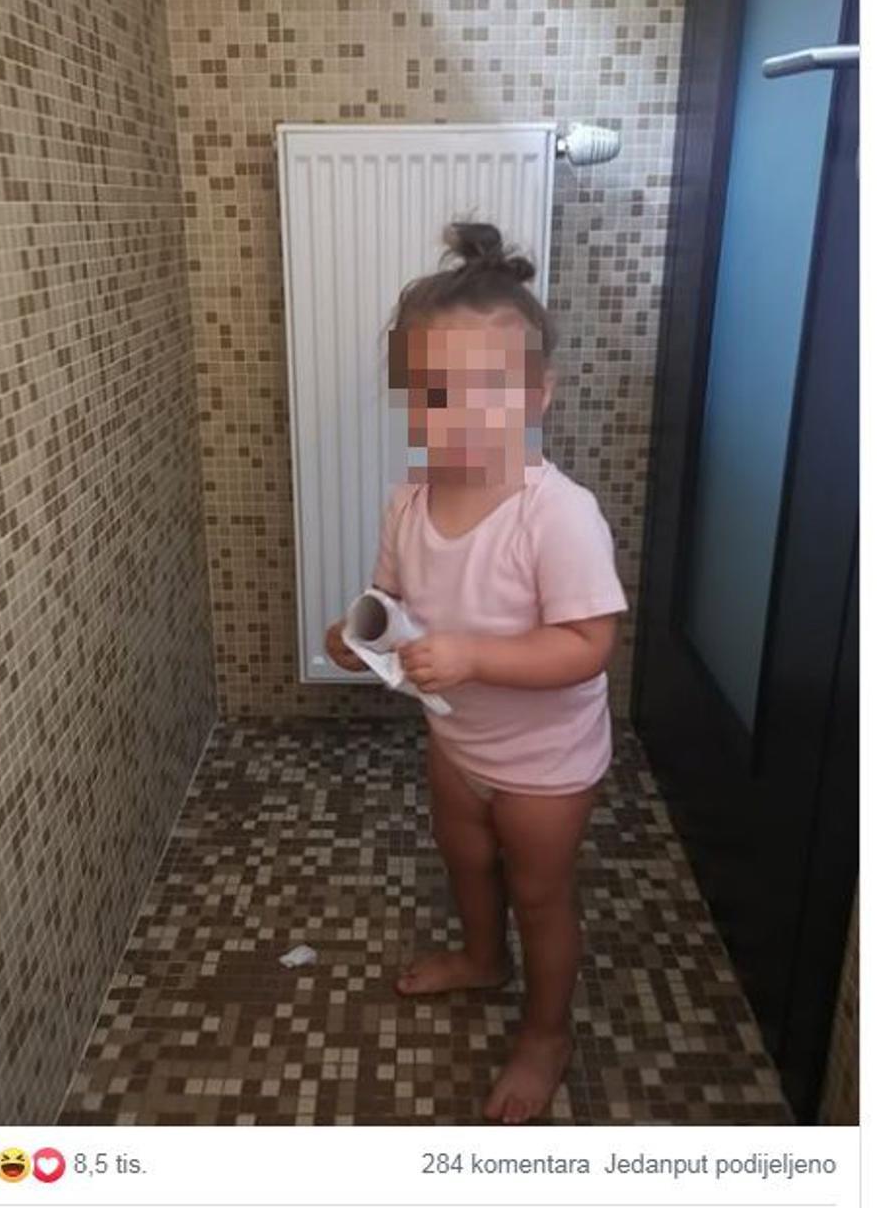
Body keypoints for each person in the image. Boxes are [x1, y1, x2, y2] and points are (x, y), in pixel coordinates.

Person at [325, 219, 629, 1124]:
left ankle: (545, 1032)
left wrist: (473, 655)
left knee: (539, 891)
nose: (453, 416)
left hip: (546, 762)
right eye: (432, 393)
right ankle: (482, 957)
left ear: (536, 394)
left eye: (483, 392)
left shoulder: (556, 515)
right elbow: (389, 598)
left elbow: (588, 644)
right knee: (463, 854)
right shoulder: (408, 502)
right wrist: (357, 633)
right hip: (457, 743)